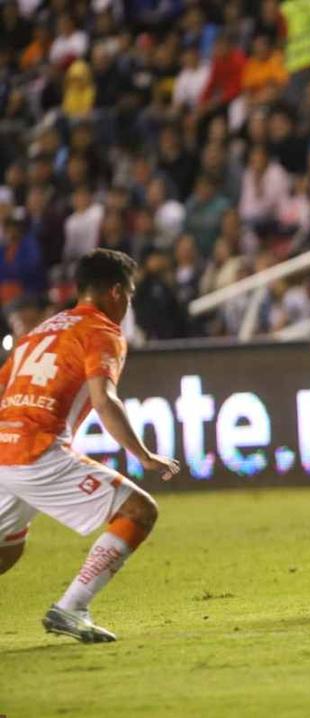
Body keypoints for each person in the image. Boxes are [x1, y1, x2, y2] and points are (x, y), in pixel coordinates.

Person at [0, 249, 181, 643]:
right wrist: (144, 455)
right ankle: (72, 607)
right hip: (37, 452)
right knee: (138, 510)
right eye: (130, 296)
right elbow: (104, 400)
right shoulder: (101, 331)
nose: (128, 305)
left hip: (3, 451)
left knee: (7, 548)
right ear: (116, 292)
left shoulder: (39, 331)